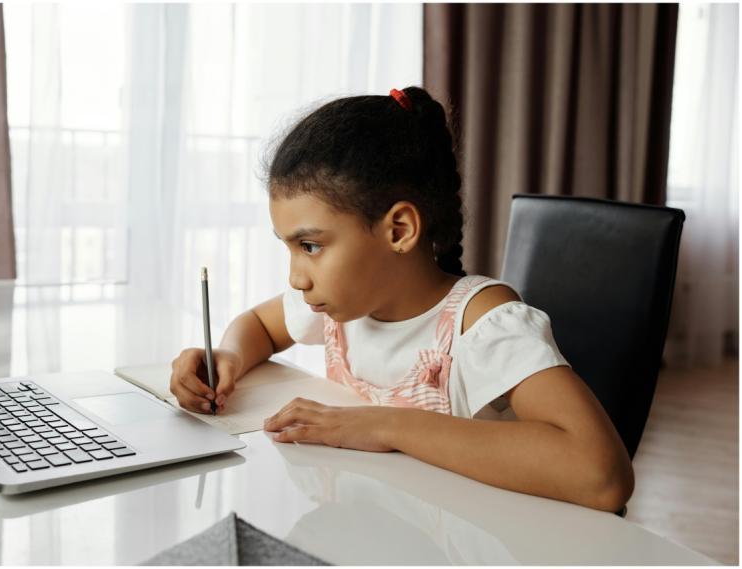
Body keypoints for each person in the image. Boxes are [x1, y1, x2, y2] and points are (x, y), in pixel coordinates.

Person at [170, 86, 634, 512]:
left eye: (310, 247)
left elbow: (602, 474)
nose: (295, 278)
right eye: (288, 247)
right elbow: (261, 325)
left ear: (399, 230)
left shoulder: (482, 324)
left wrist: (382, 425)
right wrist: (228, 354)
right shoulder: (345, 307)